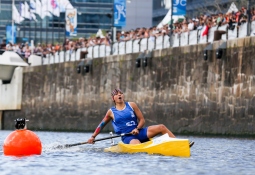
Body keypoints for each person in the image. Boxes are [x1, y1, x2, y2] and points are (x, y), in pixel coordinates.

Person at [87, 88, 176, 145]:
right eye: (116, 94)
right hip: (127, 137)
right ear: (113, 98)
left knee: (161, 127)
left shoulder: (132, 105)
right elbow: (101, 125)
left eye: (121, 93)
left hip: (139, 132)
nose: (119, 95)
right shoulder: (111, 112)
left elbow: (142, 120)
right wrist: (93, 137)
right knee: (137, 144)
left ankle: (177, 143)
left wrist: (137, 128)